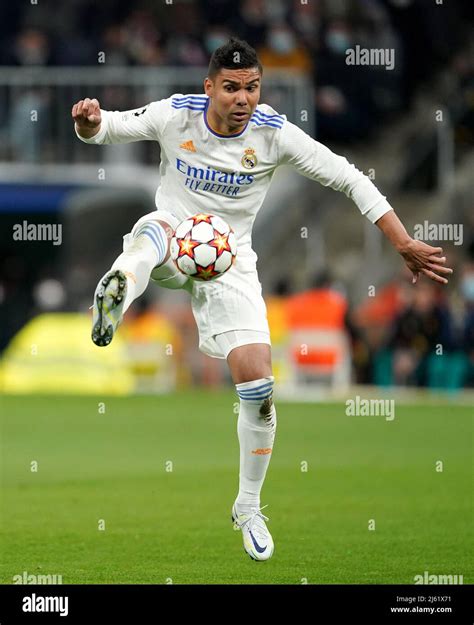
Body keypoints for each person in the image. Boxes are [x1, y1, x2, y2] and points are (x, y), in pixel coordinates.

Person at [71, 37, 452, 562]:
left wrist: (402, 240)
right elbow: (106, 128)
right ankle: (115, 297)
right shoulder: (174, 116)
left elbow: (348, 178)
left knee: (260, 386)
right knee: (152, 233)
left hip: (231, 263)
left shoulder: (274, 134)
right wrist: (87, 121)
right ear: (209, 88)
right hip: (176, 239)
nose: (243, 98)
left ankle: (248, 506)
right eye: (231, 88)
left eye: (252, 87)